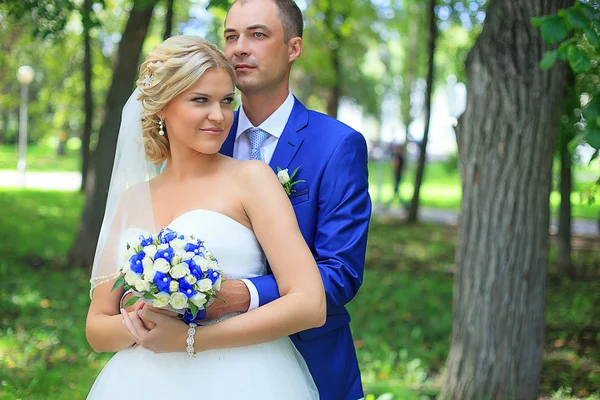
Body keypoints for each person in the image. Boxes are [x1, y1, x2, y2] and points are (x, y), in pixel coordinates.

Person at [85, 35, 325, 399]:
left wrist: (191, 337)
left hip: (242, 376)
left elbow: (310, 303)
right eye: (201, 100)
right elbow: (97, 327)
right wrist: (147, 319)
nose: (220, 116)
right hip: (141, 381)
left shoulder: (252, 179)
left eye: (227, 101)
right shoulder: (133, 199)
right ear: (162, 107)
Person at [208, 0, 372, 398]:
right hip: (209, 362)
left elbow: (340, 273)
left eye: (258, 35)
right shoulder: (203, 140)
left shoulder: (337, 146)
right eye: (231, 36)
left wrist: (242, 295)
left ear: (293, 48)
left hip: (308, 359)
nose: (239, 48)